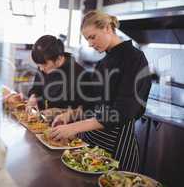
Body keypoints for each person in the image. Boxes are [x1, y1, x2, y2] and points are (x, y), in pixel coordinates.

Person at [49, 10, 152, 172]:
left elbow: (122, 111)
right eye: (87, 39)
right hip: (90, 143)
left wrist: (74, 128)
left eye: (92, 37)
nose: (90, 43)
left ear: (107, 28)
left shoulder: (135, 58)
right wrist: (69, 115)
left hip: (116, 147)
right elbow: (92, 103)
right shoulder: (103, 62)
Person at [26, 35, 89, 113]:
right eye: (39, 66)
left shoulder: (79, 75)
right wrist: (33, 97)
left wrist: (59, 111)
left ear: (59, 59)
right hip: (41, 118)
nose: (41, 69)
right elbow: (36, 89)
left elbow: (85, 111)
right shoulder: (44, 65)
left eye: (44, 65)